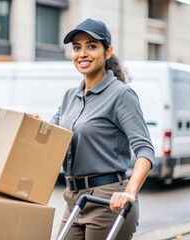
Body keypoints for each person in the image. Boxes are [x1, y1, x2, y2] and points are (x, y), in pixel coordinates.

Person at [51, 18, 154, 240]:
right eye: (77, 47)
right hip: (74, 199)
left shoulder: (121, 95)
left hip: (108, 199)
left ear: (108, 52)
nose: (82, 53)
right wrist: (31, 125)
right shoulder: (70, 96)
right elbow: (50, 136)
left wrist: (129, 193)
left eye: (91, 46)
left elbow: (145, 151)